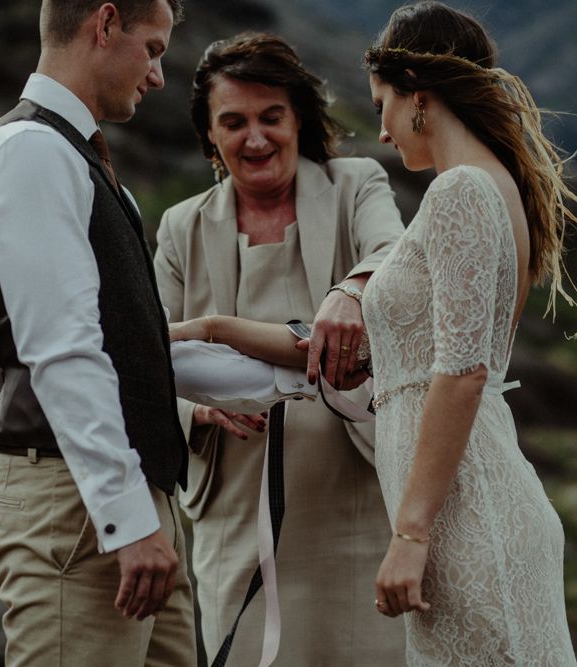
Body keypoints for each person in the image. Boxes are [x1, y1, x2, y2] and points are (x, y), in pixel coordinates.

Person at [361, 2, 577, 665]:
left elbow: (462, 369)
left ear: (418, 97)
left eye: (380, 106)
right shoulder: (488, 188)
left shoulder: (462, 193)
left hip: (464, 522)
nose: (384, 132)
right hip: (468, 512)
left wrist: (411, 533)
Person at [153, 33, 406, 665]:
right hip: (233, 512)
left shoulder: (355, 185)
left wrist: (352, 290)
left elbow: (397, 258)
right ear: (210, 135)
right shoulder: (181, 227)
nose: (256, 138)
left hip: (355, 508)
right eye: (233, 122)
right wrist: (196, 411)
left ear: (299, 118)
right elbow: (146, 356)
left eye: (272, 117)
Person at [0, 2, 197, 665]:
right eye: (151, 48)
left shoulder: (89, 170)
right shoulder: (30, 154)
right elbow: (62, 349)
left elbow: (127, 344)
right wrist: (126, 518)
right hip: (76, 506)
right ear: (105, 23)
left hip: (121, 496)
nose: (156, 74)